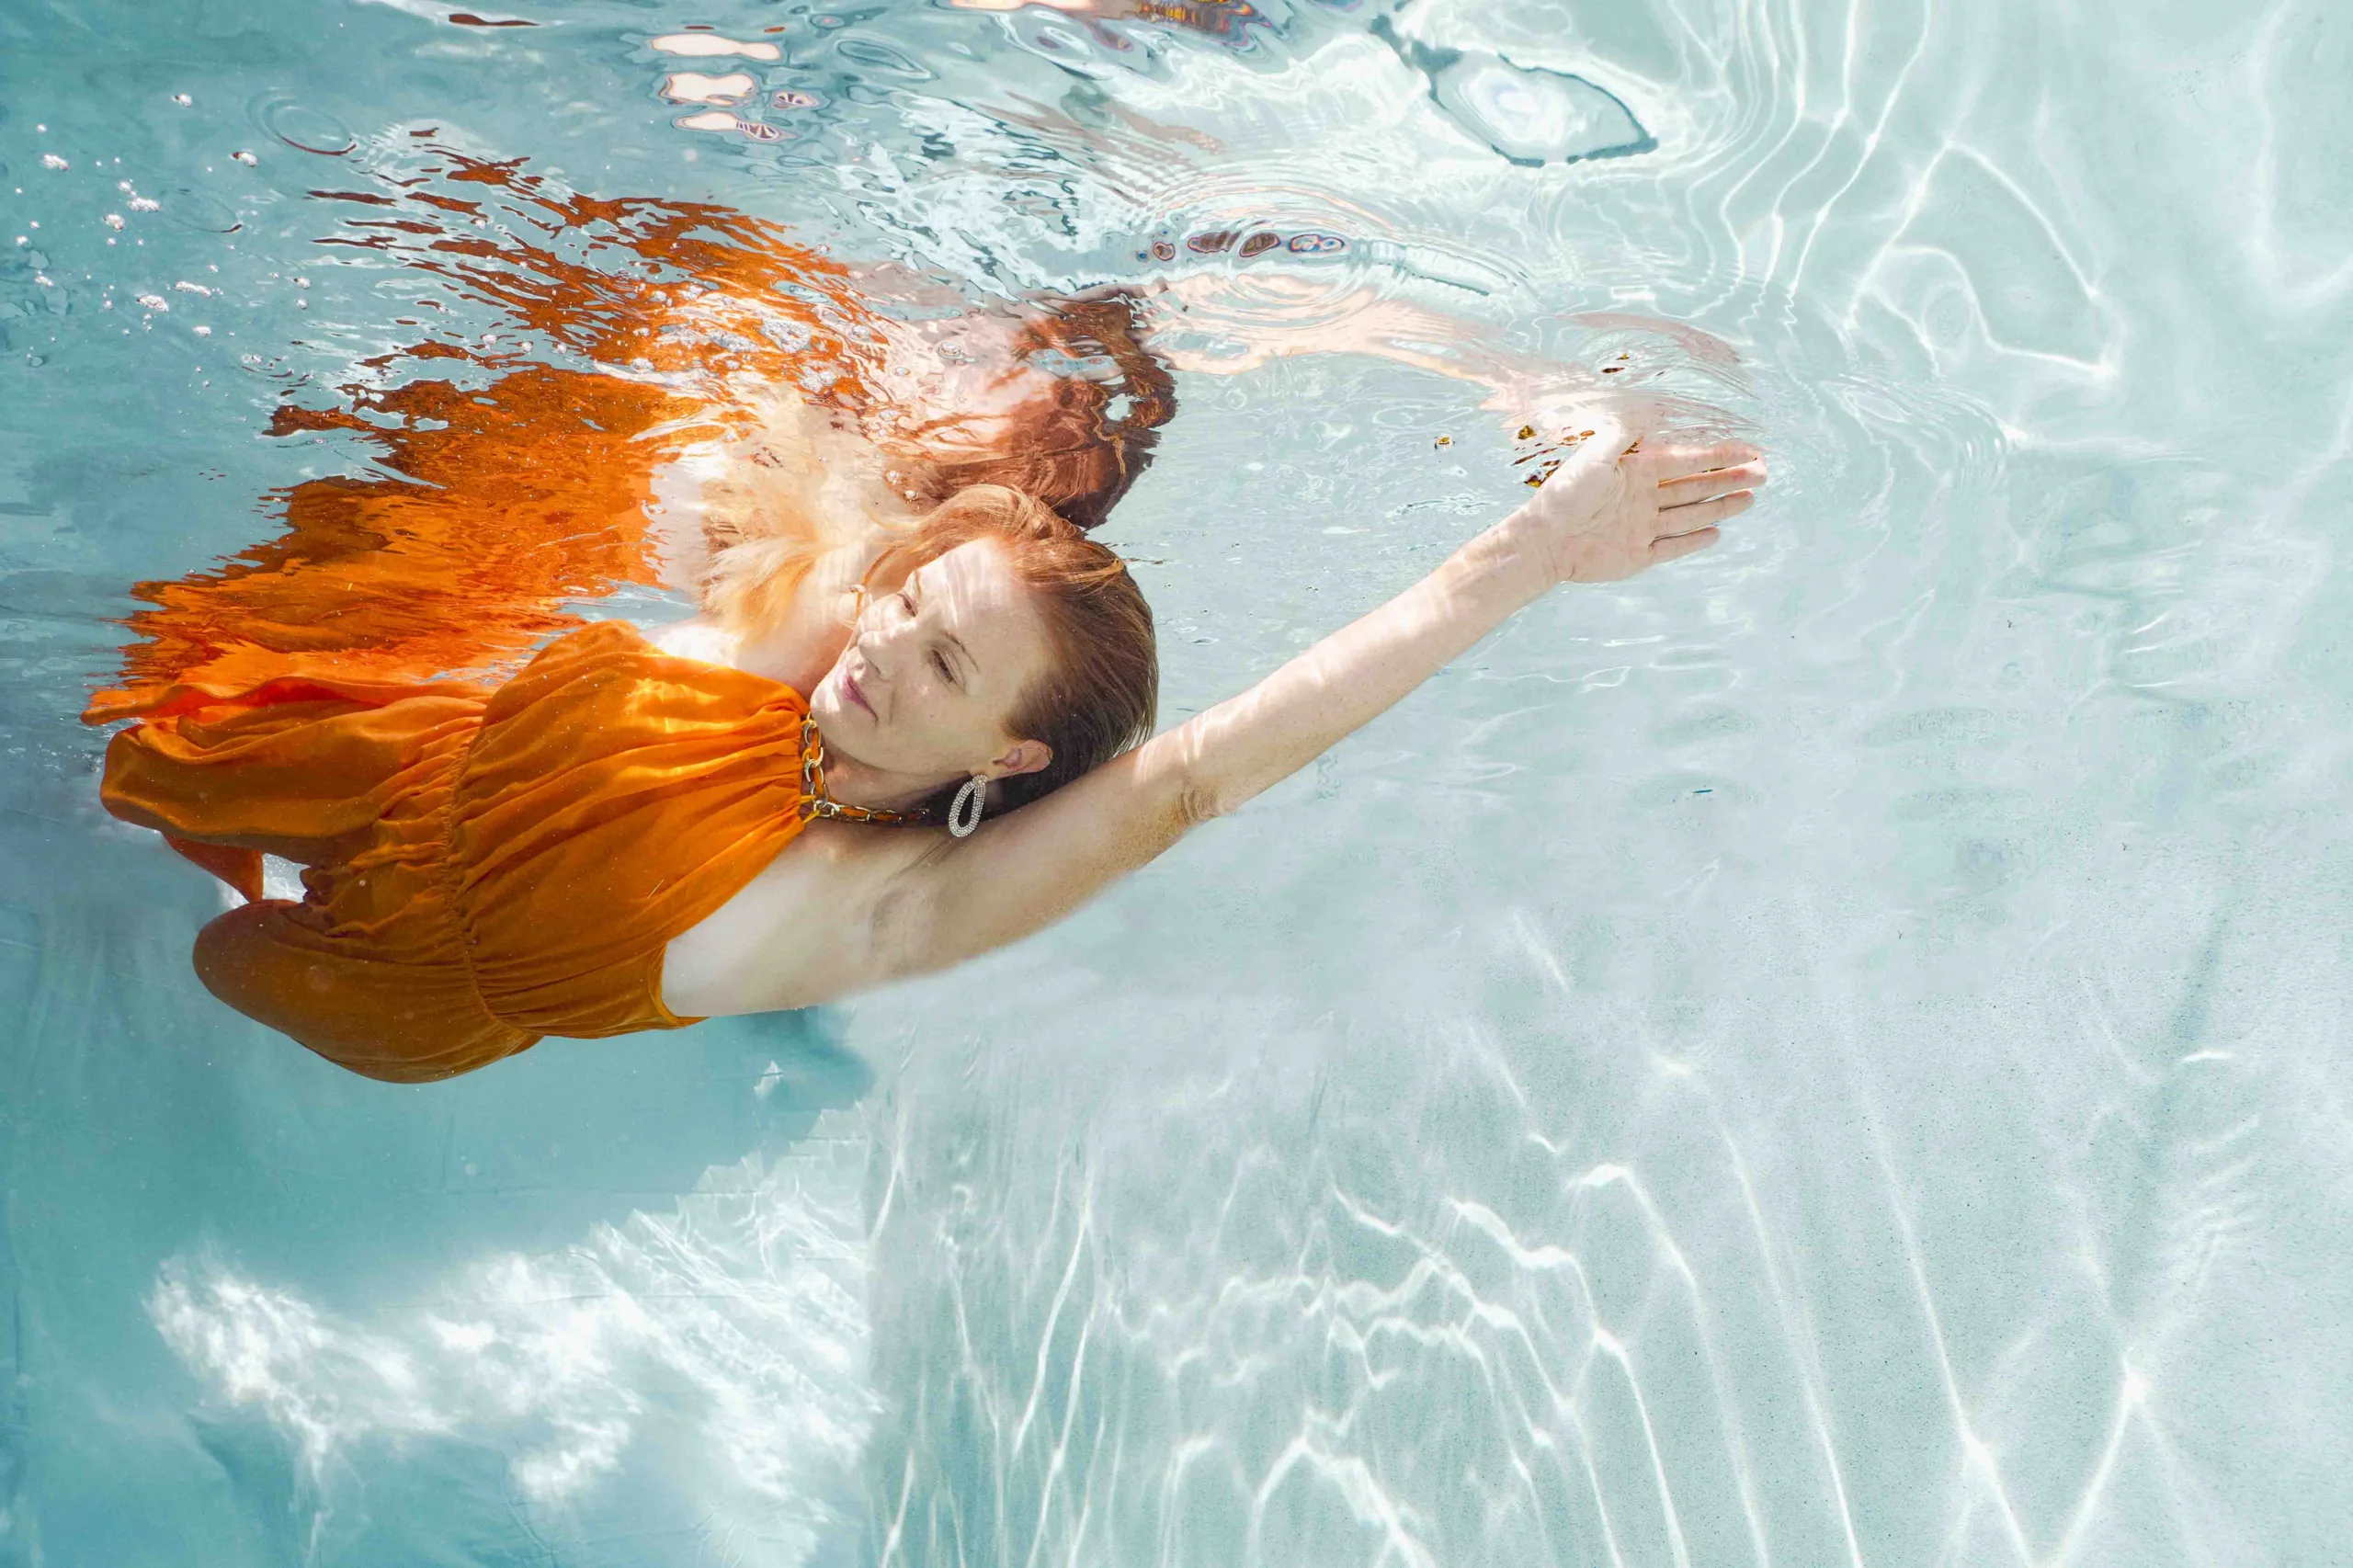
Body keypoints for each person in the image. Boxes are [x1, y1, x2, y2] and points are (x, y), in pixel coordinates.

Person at [94, 423, 1761, 1083]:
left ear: (1013, 754)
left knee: (210, 937)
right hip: (395, 747)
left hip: (409, 983)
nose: (888, 643)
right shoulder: (836, 647)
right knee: (135, 727)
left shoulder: (879, 909)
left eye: (943, 654)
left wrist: (1524, 557)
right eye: (912, 612)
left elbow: (1193, 778)